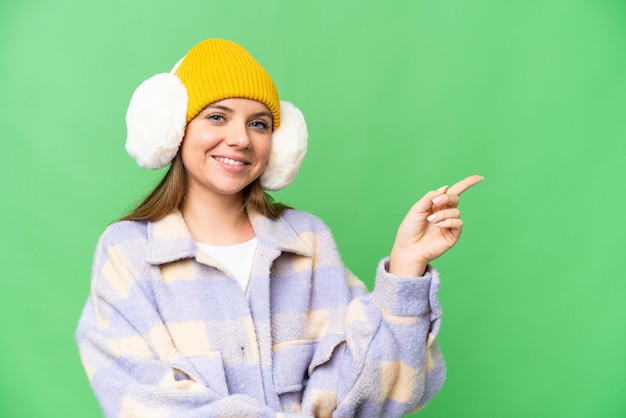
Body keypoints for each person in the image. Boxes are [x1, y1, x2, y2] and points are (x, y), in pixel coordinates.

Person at [76, 39, 482, 418]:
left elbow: (377, 390)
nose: (240, 139)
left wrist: (406, 265)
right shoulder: (127, 252)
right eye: (217, 117)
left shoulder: (308, 240)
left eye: (259, 124)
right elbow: (142, 401)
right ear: (173, 129)